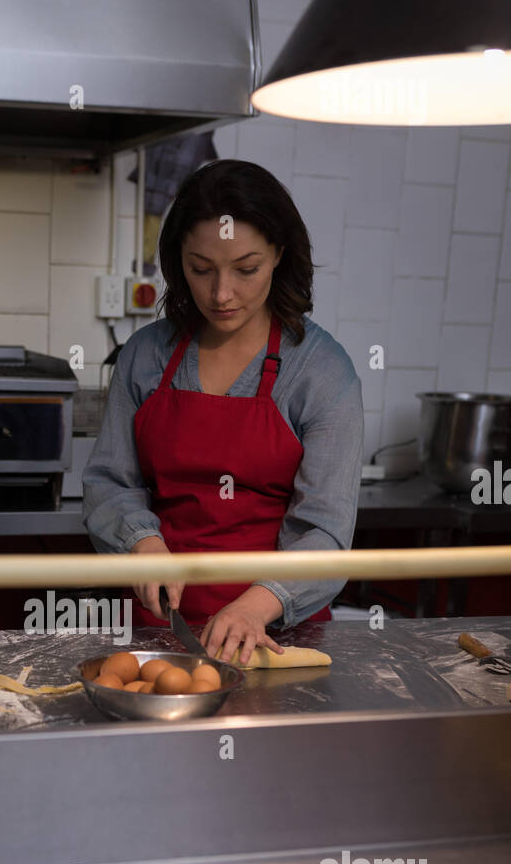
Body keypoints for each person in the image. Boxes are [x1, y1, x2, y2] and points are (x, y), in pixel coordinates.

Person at [82, 159, 364, 666]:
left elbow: (325, 530)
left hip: (277, 635)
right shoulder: (145, 355)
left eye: (246, 269)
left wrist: (257, 605)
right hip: (158, 631)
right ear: (177, 261)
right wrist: (142, 543)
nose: (221, 294)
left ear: (279, 253)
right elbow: (109, 480)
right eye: (201, 269)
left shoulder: (322, 372)